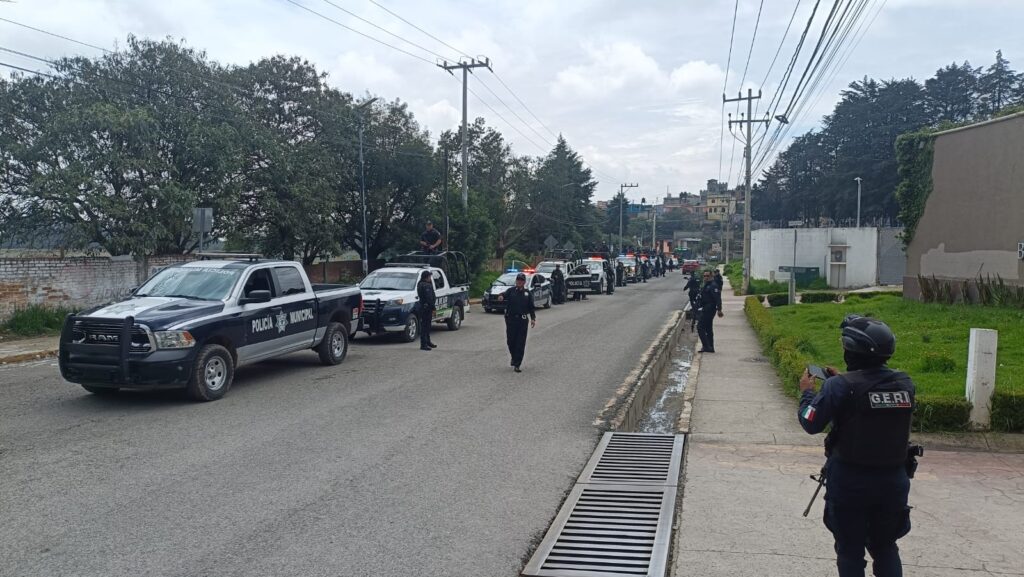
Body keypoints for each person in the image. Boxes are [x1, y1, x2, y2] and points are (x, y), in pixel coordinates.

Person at [798, 315, 916, 577]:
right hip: (893, 481)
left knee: (850, 551)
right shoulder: (905, 383)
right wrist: (843, 380)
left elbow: (810, 422)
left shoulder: (839, 387)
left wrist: (807, 392)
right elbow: (873, 394)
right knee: (885, 546)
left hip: (851, 482)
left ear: (851, 350)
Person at [497, 272, 536, 372]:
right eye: (518, 280)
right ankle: (514, 357)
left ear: (524, 282)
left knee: (520, 343)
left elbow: (531, 307)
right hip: (511, 320)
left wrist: (533, 318)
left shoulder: (527, 293)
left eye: (521, 280)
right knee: (510, 341)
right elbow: (503, 295)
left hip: (522, 321)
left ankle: (517, 364)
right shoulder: (511, 291)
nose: (519, 281)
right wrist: (501, 296)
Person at [696, 270, 723, 352]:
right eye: (704, 276)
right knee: (708, 328)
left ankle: (706, 346)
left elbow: (718, 298)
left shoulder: (713, 285)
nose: (706, 277)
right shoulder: (706, 285)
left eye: (708, 276)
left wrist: (719, 309)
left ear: (711, 276)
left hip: (709, 308)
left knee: (700, 327)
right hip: (705, 307)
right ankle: (710, 347)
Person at [415, 270, 437, 351]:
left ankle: (428, 342)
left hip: (423, 307)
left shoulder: (420, 284)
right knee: (425, 326)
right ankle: (423, 344)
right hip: (427, 308)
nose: (430, 278)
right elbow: (429, 298)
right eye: (429, 276)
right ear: (426, 277)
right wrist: (433, 308)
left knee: (426, 326)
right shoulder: (426, 285)